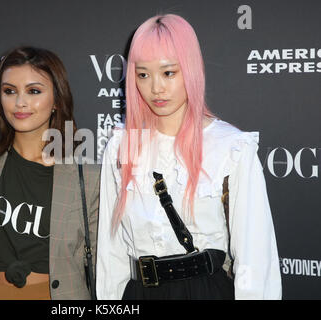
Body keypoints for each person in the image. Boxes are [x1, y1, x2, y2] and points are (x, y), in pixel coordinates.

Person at [96, 14, 282, 300]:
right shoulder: (121, 145)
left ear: (191, 69)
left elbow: (255, 257)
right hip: (139, 293)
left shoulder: (231, 147)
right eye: (143, 74)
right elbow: (112, 252)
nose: (156, 87)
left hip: (204, 291)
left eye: (168, 73)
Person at [0, 46, 100, 300]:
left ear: (56, 99)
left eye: (34, 91)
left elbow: (101, 262)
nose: (20, 102)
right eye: (9, 91)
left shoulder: (88, 176)